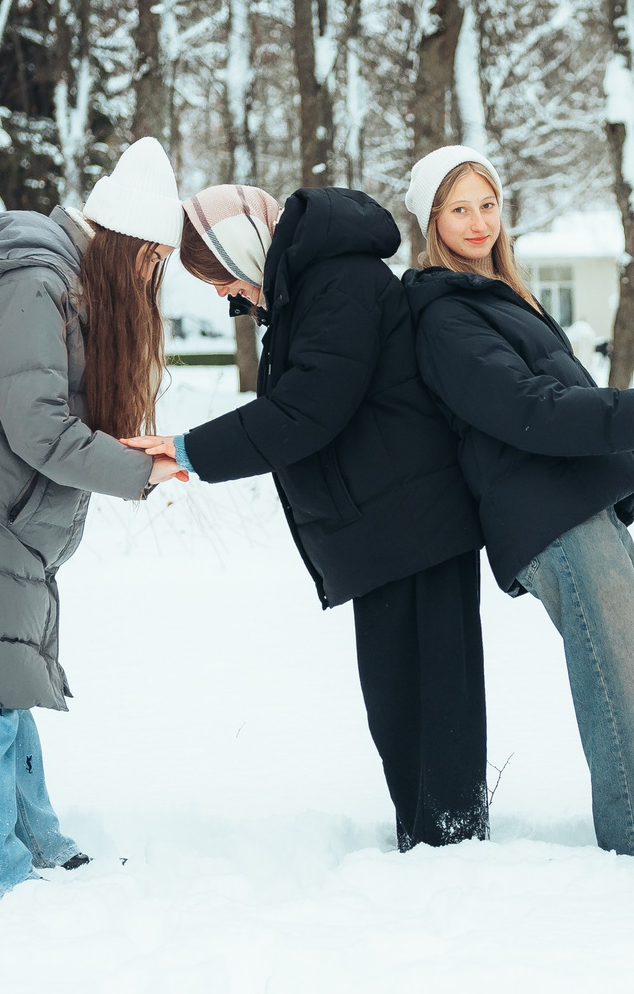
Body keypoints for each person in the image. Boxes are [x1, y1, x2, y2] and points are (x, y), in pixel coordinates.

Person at [401, 146, 634, 865]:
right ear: (431, 221)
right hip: (548, 524)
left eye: (487, 203)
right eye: (459, 208)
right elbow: (537, 414)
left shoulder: (503, 298)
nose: (478, 221)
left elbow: (571, 408)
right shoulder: (445, 317)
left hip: (582, 507)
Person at [124, 181, 491, 853]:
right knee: (397, 702)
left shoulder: (340, 284)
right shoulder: (308, 291)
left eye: (220, 275)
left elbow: (306, 411)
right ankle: (429, 839)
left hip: (417, 522)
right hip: (382, 528)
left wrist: (188, 452)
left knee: (437, 699)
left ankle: (453, 845)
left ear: (246, 249)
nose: (221, 293)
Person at [0, 141, 188, 899]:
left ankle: (36, 838)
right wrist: (137, 471)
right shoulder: (36, 282)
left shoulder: (66, 283)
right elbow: (38, 427)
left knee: (5, 676)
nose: (151, 278)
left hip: (0, 520)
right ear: (119, 244)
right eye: (149, 259)